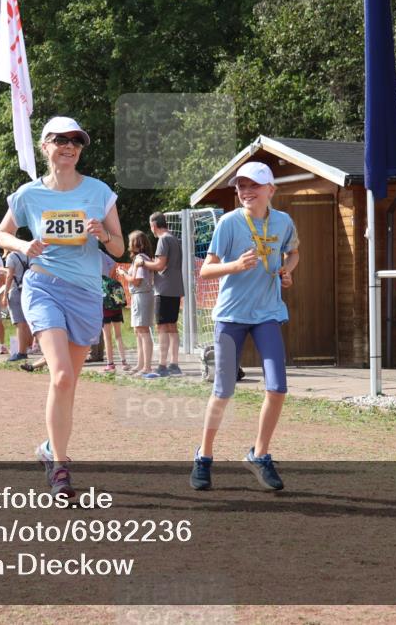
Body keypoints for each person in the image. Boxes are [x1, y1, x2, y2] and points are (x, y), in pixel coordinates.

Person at [0, 115, 124, 496]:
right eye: (60, 140)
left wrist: (103, 234)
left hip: (85, 292)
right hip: (43, 287)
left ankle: (50, 448)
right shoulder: (29, 194)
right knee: (62, 376)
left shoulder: (100, 192)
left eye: (76, 141)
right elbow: (3, 233)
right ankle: (60, 468)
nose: (69, 146)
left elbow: (118, 247)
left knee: (70, 384)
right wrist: (24, 245)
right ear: (44, 146)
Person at [190, 162, 299, 492]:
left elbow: (293, 252)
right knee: (223, 390)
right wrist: (235, 266)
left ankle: (259, 453)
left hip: (267, 313)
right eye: (241, 186)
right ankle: (204, 456)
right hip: (230, 317)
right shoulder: (229, 222)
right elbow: (206, 271)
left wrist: (287, 270)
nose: (246, 191)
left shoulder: (283, 222)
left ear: (271, 190)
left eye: (254, 185)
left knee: (278, 388)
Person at [140, 212, 184, 377]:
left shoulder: (163, 239)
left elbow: (159, 265)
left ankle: (162, 365)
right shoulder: (174, 238)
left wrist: (142, 262)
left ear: (154, 225)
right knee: (172, 326)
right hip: (175, 287)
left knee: (162, 327)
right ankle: (174, 364)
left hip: (164, 288)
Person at [117, 230, 157, 377]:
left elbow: (136, 280)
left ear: (137, 244)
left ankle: (147, 366)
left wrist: (123, 274)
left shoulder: (140, 258)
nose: (128, 245)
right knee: (138, 331)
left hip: (142, 295)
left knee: (143, 331)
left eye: (130, 242)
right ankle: (141, 364)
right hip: (139, 296)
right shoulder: (141, 258)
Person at [100, 254, 129, 373]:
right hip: (114, 300)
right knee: (118, 335)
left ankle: (110, 363)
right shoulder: (101, 253)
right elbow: (114, 264)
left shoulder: (88, 254)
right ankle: (124, 361)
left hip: (103, 302)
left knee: (107, 336)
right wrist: (110, 277)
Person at [3, 247, 32, 362]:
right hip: (29, 290)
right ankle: (30, 346)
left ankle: (21, 352)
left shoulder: (11, 256)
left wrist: (5, 294)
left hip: (16, 291)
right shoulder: (29, 255)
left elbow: (9, 275)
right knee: (28, 322)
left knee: (20, 323)